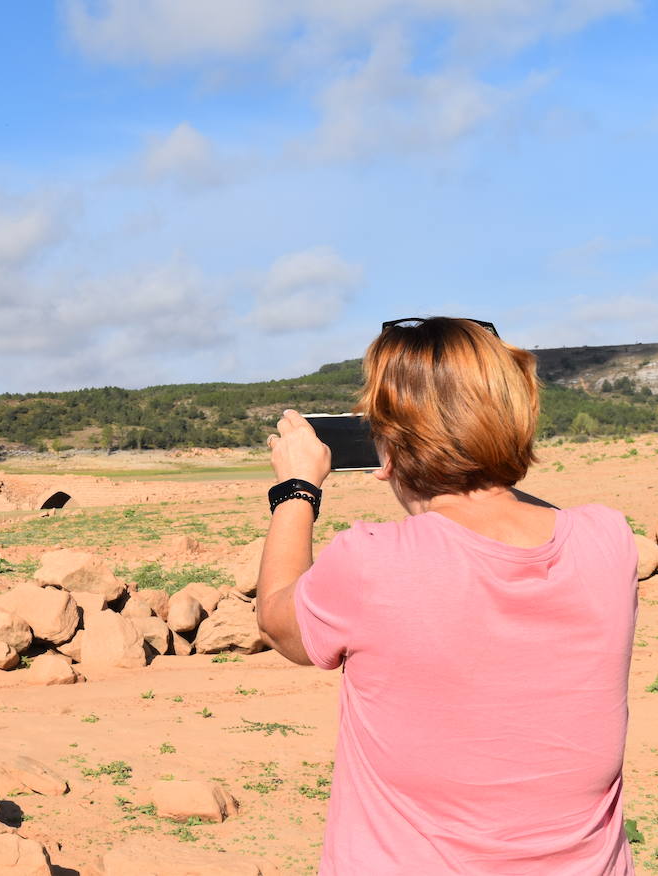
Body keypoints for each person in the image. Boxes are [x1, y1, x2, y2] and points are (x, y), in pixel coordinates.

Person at [256, 317, 636, 874]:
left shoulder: (372, 560)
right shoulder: (610, 540)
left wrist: (297, 488)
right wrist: (477, 463)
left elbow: (276, 619)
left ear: (387, 445)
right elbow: (514, 520)